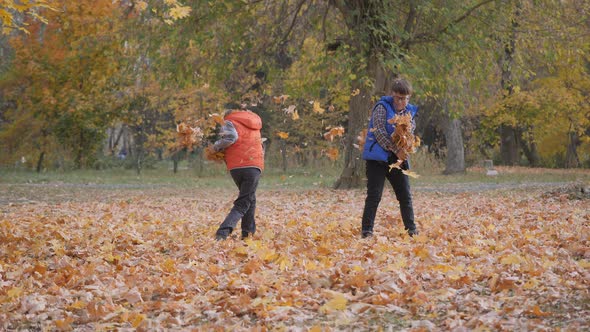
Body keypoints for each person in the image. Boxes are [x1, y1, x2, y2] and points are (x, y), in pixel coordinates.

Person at [360, 78, 419, 238]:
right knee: (374, 195)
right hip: (377, 159)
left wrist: (406, 148)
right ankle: (367, 231)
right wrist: (395, 149)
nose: (401, 101)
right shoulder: (382, 108)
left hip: (397, 161)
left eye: (405, 98)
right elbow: (379, 132)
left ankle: (412, 230)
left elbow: (409, 134)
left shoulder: (409, 112)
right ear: (393, 95)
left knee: (405, 195)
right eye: (398, 98)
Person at [209, 107, 264, 241]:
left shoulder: (230, 121)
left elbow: (231, 137)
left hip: (237, 166)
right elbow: (260, 146)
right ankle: (223, 232)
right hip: (254, 166)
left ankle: (247, 234)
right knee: (245, 201)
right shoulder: (255, 124)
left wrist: (215, 147)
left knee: (249, 199)